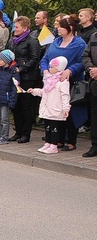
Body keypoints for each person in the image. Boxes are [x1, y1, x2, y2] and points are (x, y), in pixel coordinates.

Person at [39, 15, 86, 151]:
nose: (57, 29)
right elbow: (45, 59)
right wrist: (45, 71)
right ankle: (57, 140)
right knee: (55, 111)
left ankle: (71, 140)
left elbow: (82, 62)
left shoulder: (79, 43)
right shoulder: (56, 41)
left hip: (70, 82)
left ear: (70, 28)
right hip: (53, 82)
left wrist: (70, 70)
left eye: (61, 26)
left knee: (69, 111)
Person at [7, 16, 41, 143]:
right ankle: (18, 131)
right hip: (13, 75)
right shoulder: (12, 40)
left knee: (26, 106)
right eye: (14, 26)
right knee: (15, 105)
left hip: (27, 77)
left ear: (25, 28)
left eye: (17, 27)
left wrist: (21, 68)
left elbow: (34, 58)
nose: (14, 29)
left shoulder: (32, 41)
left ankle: (26, 133)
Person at [29, 57, 71, 154]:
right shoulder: (48, 80)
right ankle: (48, 142)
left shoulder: (62, 81)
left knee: (54, 128)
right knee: (47, 127)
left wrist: (66, 108)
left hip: (56, 108)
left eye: (52, 67)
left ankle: (54, 145)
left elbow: (65, 95)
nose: (50, 69)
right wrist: (34, 91)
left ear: (59, 68)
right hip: (47, 108)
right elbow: (44, 92)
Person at [0, 50, 20, 145]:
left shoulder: (13, 72)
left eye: (1, 59)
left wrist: (12, 100)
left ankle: (4, 137)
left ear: (7, 61)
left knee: (4, 120)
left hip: (6, 100)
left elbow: (15, 88)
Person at [82, 27, 97, 157]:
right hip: (94, 82)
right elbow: (85, 55)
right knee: (94, 115)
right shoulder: (94, 37)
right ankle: (95, 145)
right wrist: (91, 68)